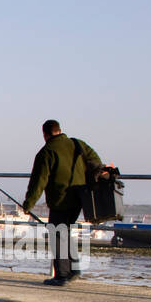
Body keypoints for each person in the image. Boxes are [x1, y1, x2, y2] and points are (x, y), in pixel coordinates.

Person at [21, 119, 109, 286]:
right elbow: (96, 161)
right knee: (65, 232)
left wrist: (28, 204)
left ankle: (62, 275)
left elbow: (38, 182)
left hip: (60, 199)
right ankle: (74, 269)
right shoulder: (77, 144)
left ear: (45, 134)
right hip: (81, 198)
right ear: (60, 130)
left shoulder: (47, 152)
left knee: (57, 234)